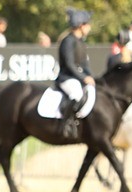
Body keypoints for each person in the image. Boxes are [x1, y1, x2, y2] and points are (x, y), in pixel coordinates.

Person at [56, 8, 93, 139]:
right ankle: (66, 124)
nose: (89, 27)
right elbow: (69, 64)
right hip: (67, 78)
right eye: (87, 24)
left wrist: (90, 77)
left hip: (77, 78)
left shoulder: (81, 42)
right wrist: (84, 78)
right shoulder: (68, 41)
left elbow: (84, 65)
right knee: (77, 94)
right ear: (80, 25)